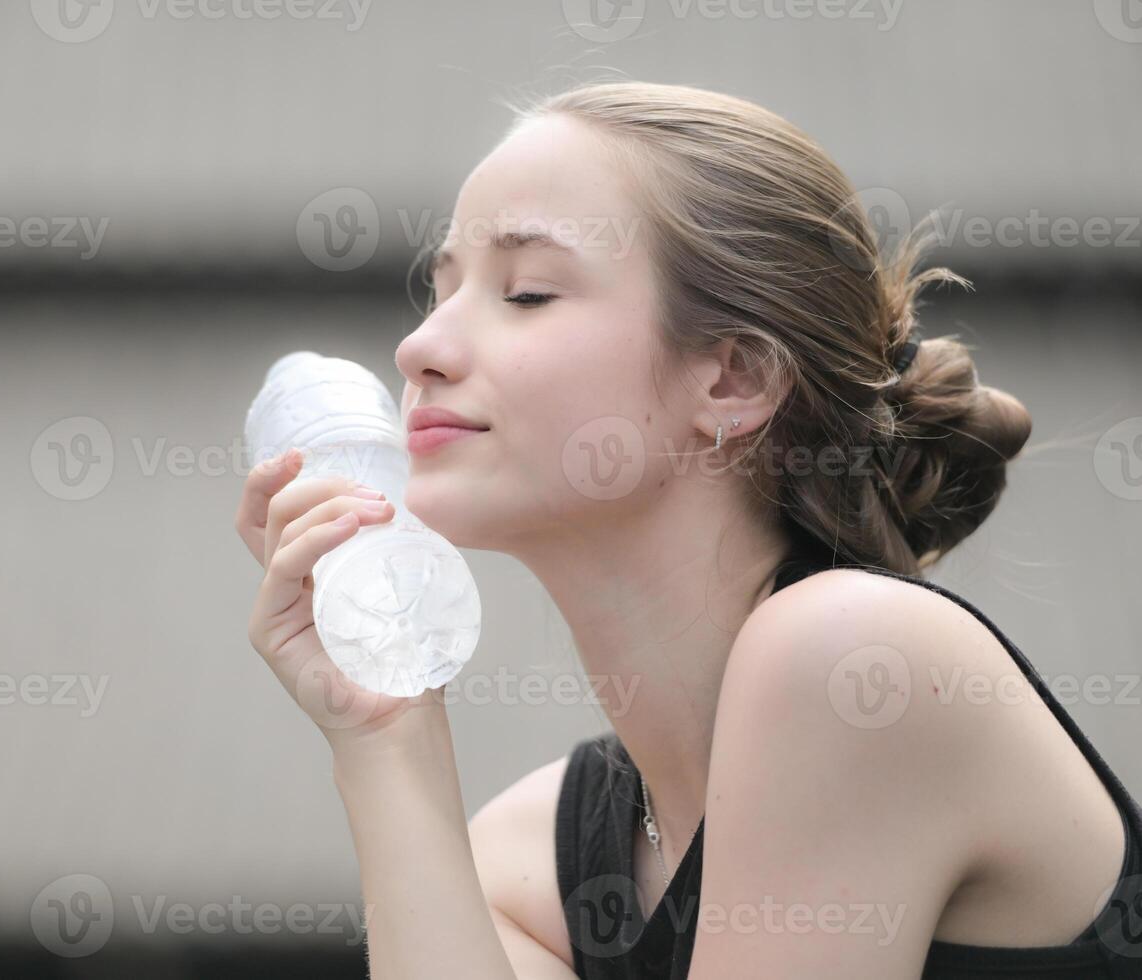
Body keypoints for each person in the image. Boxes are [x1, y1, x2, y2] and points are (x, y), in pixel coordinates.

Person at [233, 81, 1142, 978]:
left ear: (733, 380)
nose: (418, 347)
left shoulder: (855, 661)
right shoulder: (533, 868)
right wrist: (384, 731)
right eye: (442, 291)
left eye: (528, 293)